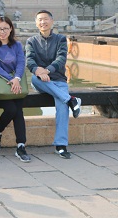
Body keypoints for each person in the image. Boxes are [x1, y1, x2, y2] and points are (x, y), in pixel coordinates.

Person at [26, 9, 81, 159]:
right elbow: (29, 60)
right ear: (36, 23)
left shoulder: (61, 39)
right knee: (34, 79)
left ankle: (61, 145)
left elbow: (61, 59)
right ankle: (71, 99)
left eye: (45, 19)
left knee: (62, 107)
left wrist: (47, 71)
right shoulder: (31, 41)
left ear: (52, 21)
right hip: (40, 81)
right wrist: (38, 71)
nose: (43, 22)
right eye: (40, 20)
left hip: (58, 80)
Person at [0, 16, 30, 162]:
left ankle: (21, 146)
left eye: (6, 28)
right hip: (1, 84)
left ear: (11, 29)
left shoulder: (17, 45)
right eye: (0, 29)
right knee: (11, 109)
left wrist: (17, 78)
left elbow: (21, 63)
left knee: (18, 111)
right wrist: (11, 80)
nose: (3, 32)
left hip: (16, 82)